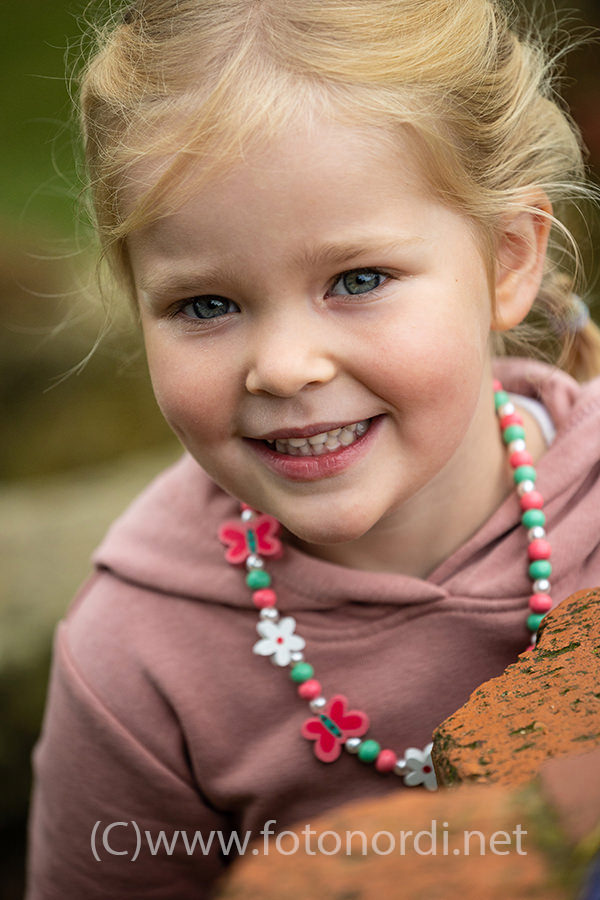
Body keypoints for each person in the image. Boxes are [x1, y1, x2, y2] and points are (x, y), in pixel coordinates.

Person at [26, 0, 600, 896]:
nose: (285, 369)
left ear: (506, 261)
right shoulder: (136, 660)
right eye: (205, 305)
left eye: (357, 280)